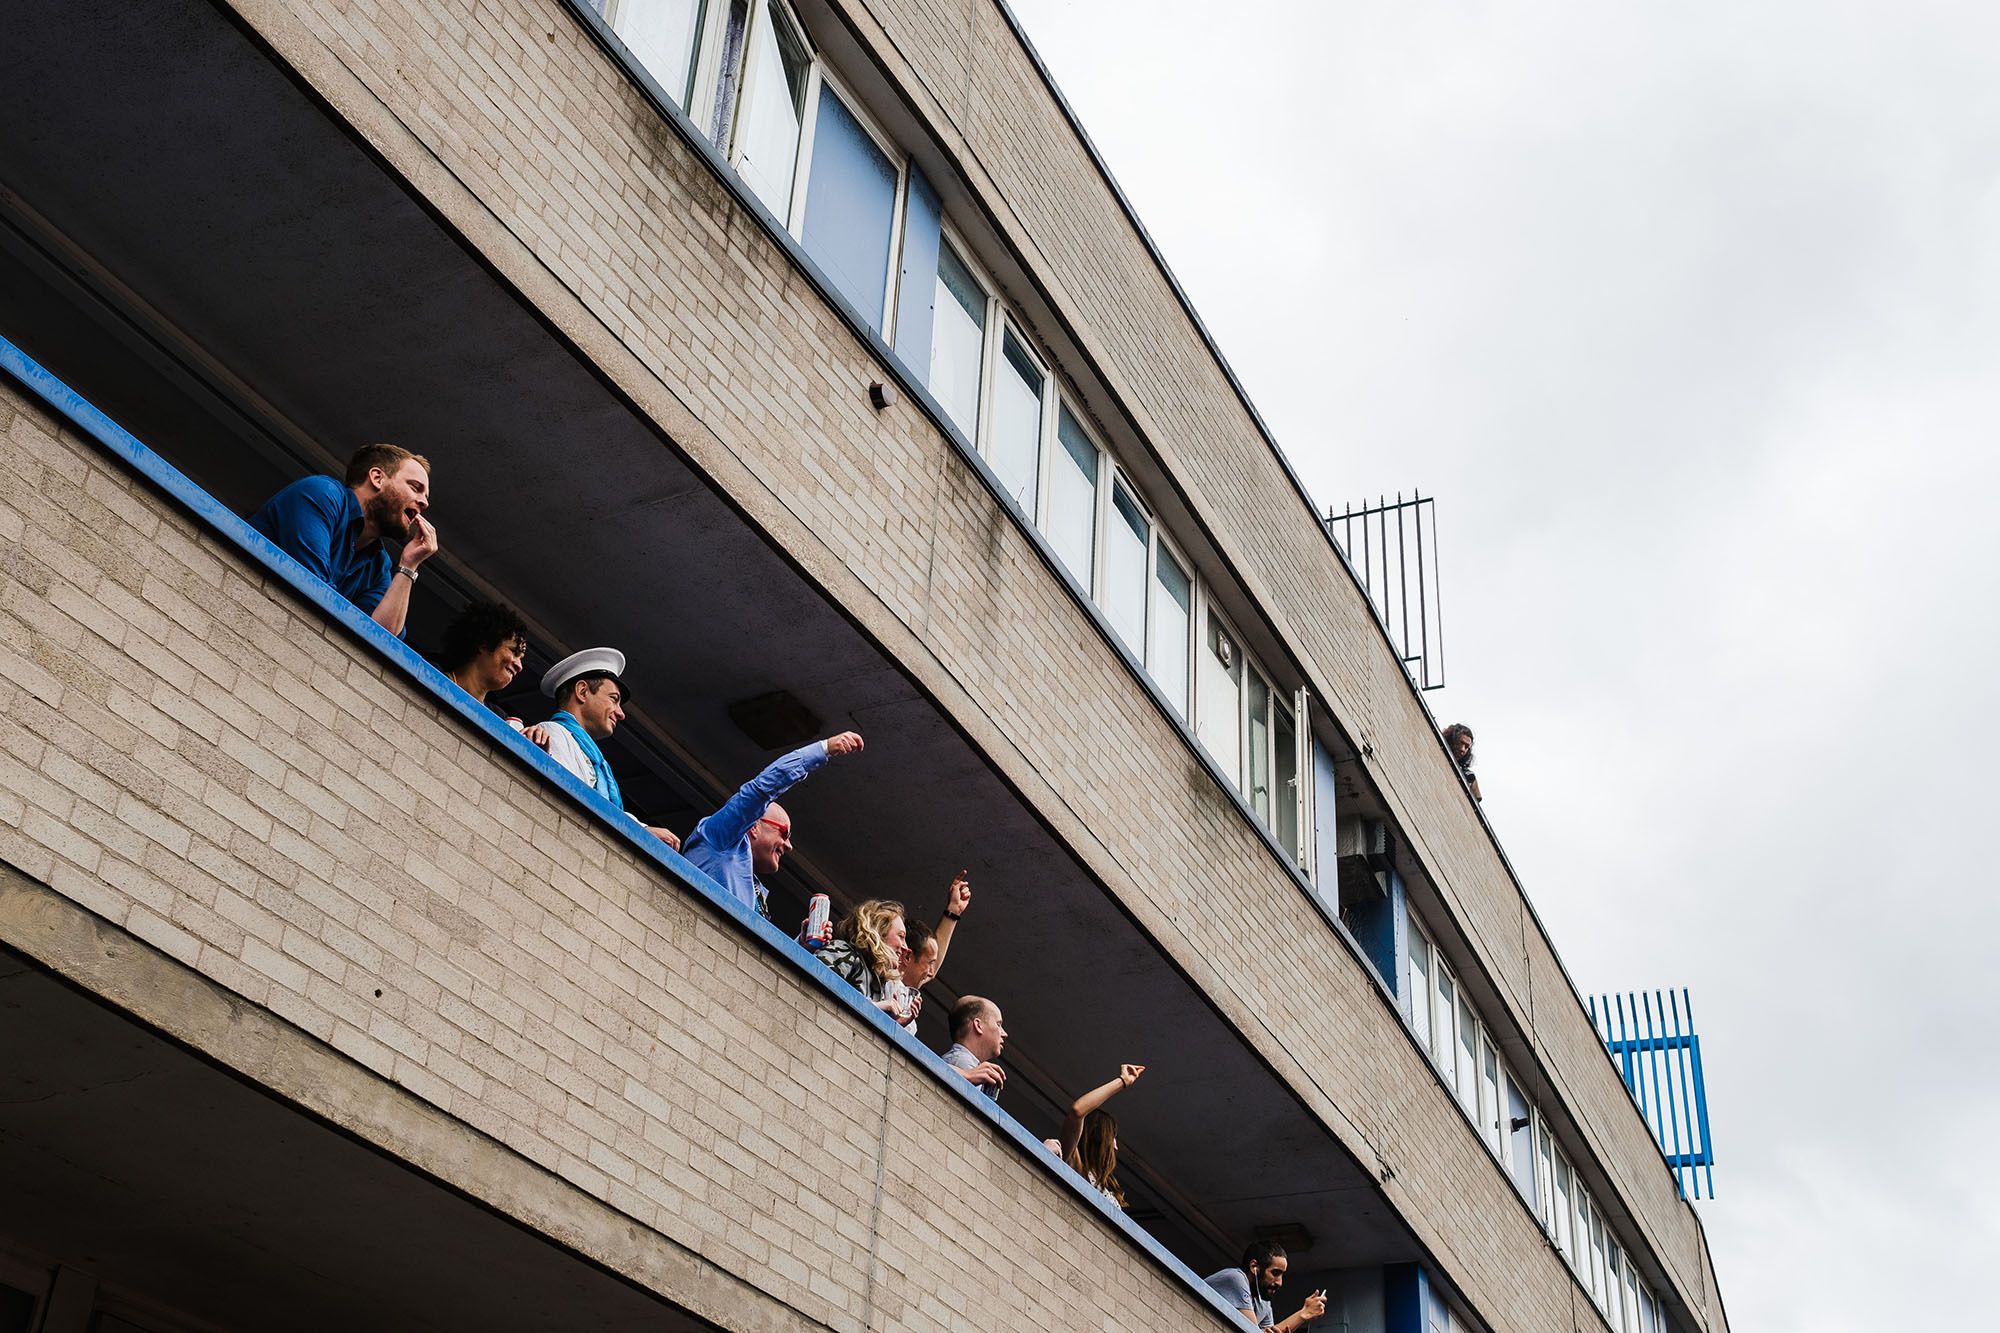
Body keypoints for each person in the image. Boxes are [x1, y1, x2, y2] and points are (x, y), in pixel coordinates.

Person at [248, 444, 438, 636]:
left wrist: (408, 566)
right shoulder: (322, 493)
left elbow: (380, 639)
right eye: (415, 488)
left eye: (425, 495)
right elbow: (313, 587)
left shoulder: (379, 565)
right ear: (377, 478)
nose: (424, 502)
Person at [679, 731, 865, 919]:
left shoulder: (756, 891)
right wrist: (824, 749)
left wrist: (802, 943)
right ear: (753, 826)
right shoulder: (718, 837)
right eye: (784, 833)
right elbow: (762, 789)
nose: (789, 846)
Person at [535, 647, 679, 849]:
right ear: (582, 691)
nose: (620, 713)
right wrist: (635, 830)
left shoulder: (593, 757)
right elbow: (572, 803)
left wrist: (641, 829)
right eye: (614, 699)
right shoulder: (552, 733)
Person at [436, 600, 548, 743]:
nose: (519, 665)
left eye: (520, 658)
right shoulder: (431, 676)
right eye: (514, 652)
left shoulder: (501, 720)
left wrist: (535, 739)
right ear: (484, 644)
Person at [886, 871, 972, 1035]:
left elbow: (932, 959)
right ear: (907, 956)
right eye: (928, 964)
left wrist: (953, 912)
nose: (932, 973)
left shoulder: (905, 990)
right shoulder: (884, 980)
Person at [815, 899, 915, 1025]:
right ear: (879, 932)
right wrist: (876, 1007)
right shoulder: (845, 952)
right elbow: (815, 987)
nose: (905, 947)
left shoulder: (879, 983)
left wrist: (892, 1024)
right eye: (900, 936)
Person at [1059, 1063, 1145, 1207]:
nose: (1116, 1147)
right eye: (1113, 1137)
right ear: (1099, 1137)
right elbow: (1077, 1111)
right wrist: (1122, 1081)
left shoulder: (1108, 1189)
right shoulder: (1075, 1165)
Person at [1203, 1241, 1326, 1332]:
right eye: (1275, 1273)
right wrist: (1303, 1313)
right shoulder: (1235, 1279)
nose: (1279, 1283)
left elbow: (1268, 1331)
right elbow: (1252, 1331)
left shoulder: (1263, 1302)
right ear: (1254, 1267)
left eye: (1282, 1275)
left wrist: (1304, 1314)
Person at [940, 996, 1006, 1101]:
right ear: (978, 1025)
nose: (1004, 1034)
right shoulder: (961, 1061)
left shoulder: (968, 1063)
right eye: (998, 1024)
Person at [1442, 723, 1481, 802]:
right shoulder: (1436, 746)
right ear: (1452, 739)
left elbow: (1477, 798)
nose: (1463, 749)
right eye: (1461, 743)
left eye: (1467, 747)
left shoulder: (1468, 774)